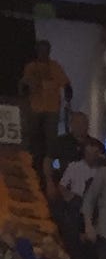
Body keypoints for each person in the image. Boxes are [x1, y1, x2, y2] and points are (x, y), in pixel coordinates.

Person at [15, 39, 66, 172]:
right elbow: (24, 84)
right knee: (32, 137)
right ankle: (29, 164)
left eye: (46, 50)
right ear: (37, 51)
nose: (43, 53)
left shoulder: (55, 66)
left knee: (51, 141)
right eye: (41, 50)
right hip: (35, 107)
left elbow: (64, 82)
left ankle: (50, 167)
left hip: (52, 108)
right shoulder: (31, 67)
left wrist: (68, 90)